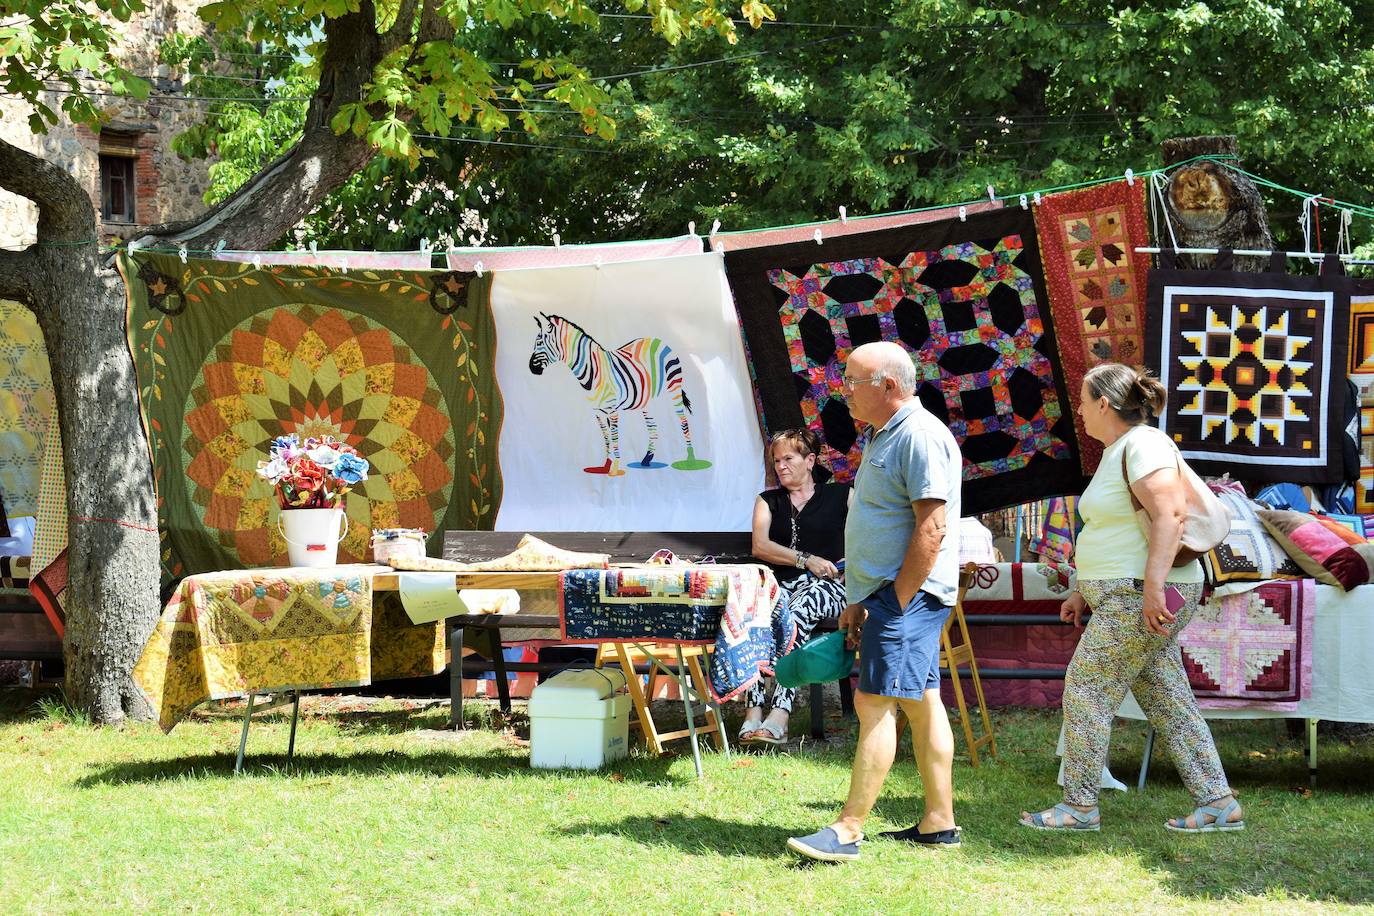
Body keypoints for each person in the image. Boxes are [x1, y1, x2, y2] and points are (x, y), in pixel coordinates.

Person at [1020, 363, 1244, 833]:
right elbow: (1115, 528)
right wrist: (1085, 590)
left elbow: (1170, 516)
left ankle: (1079, 807)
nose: (1078, 411)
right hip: (1129, 593)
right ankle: (1218, 803)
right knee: (1168, 699)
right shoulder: (1118, 450)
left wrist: (1154, 588)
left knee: (1086, 689)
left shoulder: (1144, 444)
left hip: (1141, 593)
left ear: (1104, 403)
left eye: (1082, 401)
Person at [787, 340, 963, 862]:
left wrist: (896, 601)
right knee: (921, 702)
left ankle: (848, 830)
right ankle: (939, 822)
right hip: (887, 594)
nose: (844, 394)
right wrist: (861, 599)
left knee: (874, 702)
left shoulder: (920, 436)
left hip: (907, 596)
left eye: (852, 383)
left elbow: (931, 527)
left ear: (888, 386)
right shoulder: (886, 435)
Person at [744, 428, 851, 745]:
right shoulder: (768, 501)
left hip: (831, 589)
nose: (781, 466)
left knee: (801, 607)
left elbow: (870, 536)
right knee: (755, 613)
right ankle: (752, 712)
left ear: (810, 460)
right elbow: (760, 546)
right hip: (782, 588)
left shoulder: (842, 496)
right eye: (776, 460)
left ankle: (780, 713)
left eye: (788, 458)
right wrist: (807, 559)